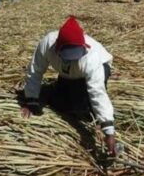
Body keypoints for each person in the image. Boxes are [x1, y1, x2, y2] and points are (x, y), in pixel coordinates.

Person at [21, 16, 117, 155]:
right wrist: (30, 100)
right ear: (58, 48)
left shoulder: (91, 58)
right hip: (67, 73)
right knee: (62, 105)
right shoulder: (48, 44)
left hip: (98, 68)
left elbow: (97, 92)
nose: (73, 59)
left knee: (84, 113)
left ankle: (77, 99)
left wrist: (109, 132)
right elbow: (35, 70)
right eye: (68, 55)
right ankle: (52, 91)